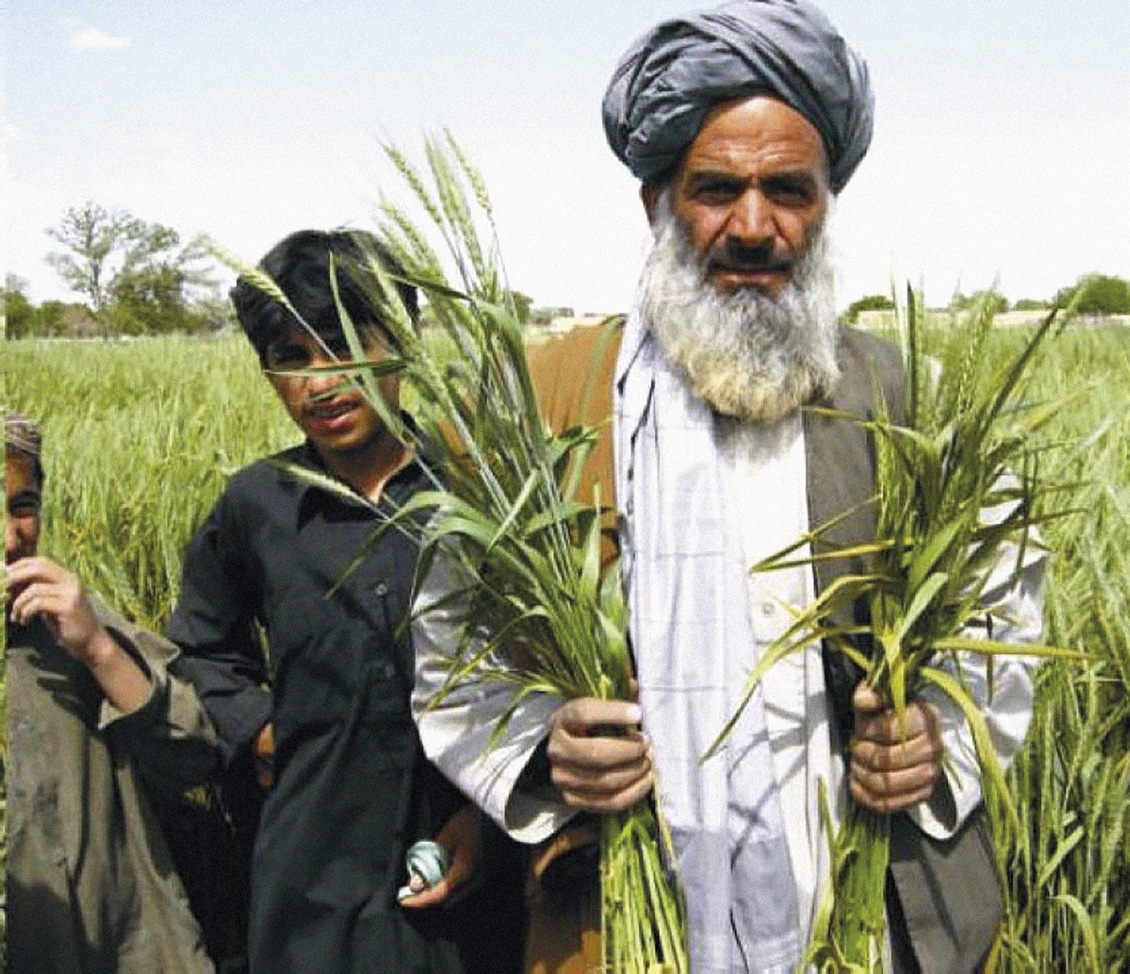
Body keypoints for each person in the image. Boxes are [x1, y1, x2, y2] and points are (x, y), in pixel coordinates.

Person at [411, 2, 1047, 973]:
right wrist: (545, 750)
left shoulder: (908, 400)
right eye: (715, 189)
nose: (753, 226)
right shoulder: (539, 404)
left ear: (827, 201)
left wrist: (937, 735)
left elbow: (1001, 615)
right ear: (655, 203)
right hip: (624, 916)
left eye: (787, 189)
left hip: (870, 915)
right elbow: (451, 642)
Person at [168, 229, 523, 974]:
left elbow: (540, 673)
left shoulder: (481, 495)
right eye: (289, 359)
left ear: (399, 340)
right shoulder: (255, 506)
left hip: (471, 881)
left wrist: (493, 819)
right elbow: (200, 647)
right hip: (313, 882)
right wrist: (264, 732)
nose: (320, 382)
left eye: (340, 345)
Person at [5, 411, 218, 974]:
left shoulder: (69, 622)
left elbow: (194, 757)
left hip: (121, 949)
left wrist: (98, 650)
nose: (9, 538)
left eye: (22, 508)